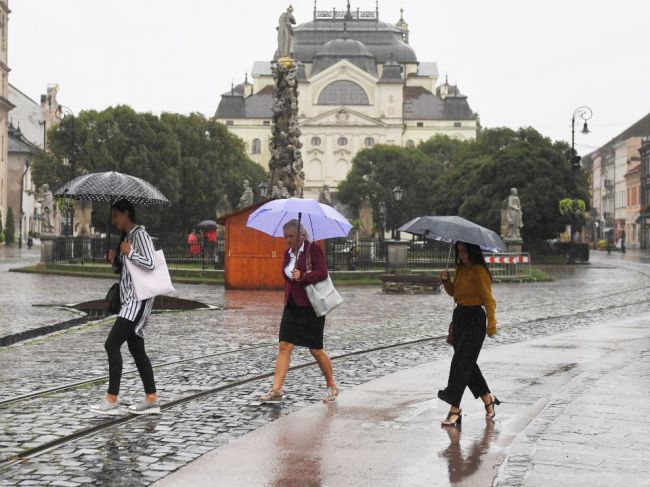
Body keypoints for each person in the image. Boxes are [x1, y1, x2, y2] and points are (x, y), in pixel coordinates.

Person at [90, 199, 160, 415]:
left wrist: (130, 252)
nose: (114, 220)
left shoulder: (140, 234)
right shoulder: (127, 237)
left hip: (139, 300)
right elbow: (128, 269)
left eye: (115, 216)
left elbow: (149, 263)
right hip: (129, 299)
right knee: (136, 348)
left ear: (126, 213)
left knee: (111, 344)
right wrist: (115, 260)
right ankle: (151, 398)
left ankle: (112, 398)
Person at [260, 219, 339, 403]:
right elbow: (286, 277)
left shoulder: (313, 249)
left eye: (291, 236)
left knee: (316, 350)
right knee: (284, 346)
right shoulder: (288, 253)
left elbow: (322, 272)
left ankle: (332, 385)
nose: (287, 240)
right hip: (292, 305)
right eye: (285, 236)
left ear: (300, 236)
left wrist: (303, 276)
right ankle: (277, 389)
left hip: (311, 306)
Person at [438, 241, 500, 427]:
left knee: (460, 363)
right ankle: (488, 400)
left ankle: (454, 408)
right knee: (468, 365)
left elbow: (489, 300)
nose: (461, 255)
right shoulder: (461, 269)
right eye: (459, 252)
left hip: (475, 320)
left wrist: (491, 325)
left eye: (464, 251)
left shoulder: (479, 271)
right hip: (460, 318)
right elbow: (455, 293)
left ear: (472, 251)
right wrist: (446, 281)